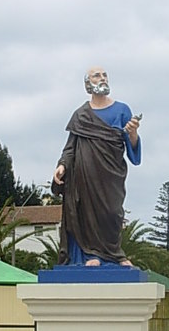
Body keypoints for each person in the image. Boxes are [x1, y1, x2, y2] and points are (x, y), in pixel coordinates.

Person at [52, 67, 141, 266]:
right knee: (88, 213)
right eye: (96, 75)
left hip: (112, 173)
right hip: (86, 175)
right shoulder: (80, 115)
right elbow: (71, 147)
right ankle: (90, 255)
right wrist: (62, 165)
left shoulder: (122, 110)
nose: (102, 78)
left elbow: (133, 151)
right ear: (88, 84)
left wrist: (133, 133)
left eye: (104, 75)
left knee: (112, 212)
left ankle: (115, 254)